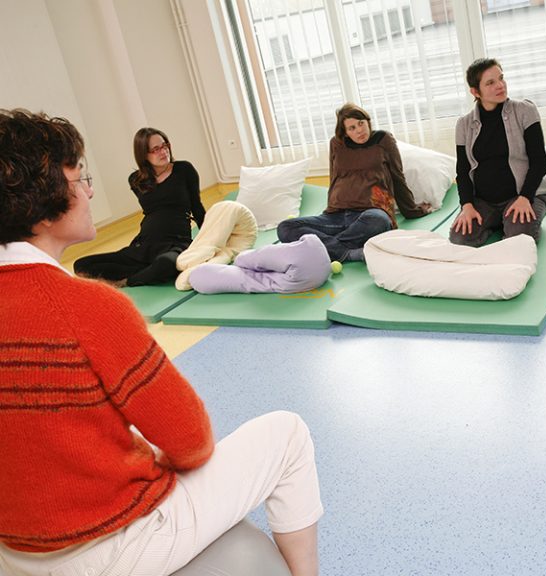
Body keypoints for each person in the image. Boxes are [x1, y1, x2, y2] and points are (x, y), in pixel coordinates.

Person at [0, 109, 322, 576]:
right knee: (288, 434)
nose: (90, 191)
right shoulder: (87, 307)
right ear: (44, 198)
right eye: (80, 178)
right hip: (114, 549)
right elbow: (191, 442)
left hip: (15, 554)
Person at [277, 103, 432, 262]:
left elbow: (397, 176)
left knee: (378, 222)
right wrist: (331, 208)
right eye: (352, 128)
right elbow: (335, 178)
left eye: (361, 123)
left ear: (368, 122)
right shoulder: (337, 144)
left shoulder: (383, 140)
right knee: (285, 227)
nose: (359, 130)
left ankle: (323, 247)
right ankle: (348, 252)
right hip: (335, 216)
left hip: (370, 213)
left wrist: (412, 210)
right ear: (345, 132)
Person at [73, 127, 206, 287]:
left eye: (164, 145)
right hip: (143, 245)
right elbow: (152, 210)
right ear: (143, 154)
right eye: (155, 149)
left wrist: (208, 239)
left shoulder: (184, 169)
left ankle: (129, 280)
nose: (163, 151)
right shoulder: (136, 180)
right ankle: (147, 272)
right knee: (81, 265)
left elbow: (197, 207)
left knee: (165, 263)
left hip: (176, 242)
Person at [450, 58, 546, 247]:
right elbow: (462, 171)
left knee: (519, 241)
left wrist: (525, 197)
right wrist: (467, 206)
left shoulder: (525, 111)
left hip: (523, 195)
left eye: (501, 78)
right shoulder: (463, 124)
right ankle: (499, 221)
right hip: (484, 202)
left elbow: (539, 162)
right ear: (475, 92)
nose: (500, 85)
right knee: (459, 239)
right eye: (490, 82)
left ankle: (513, 222)